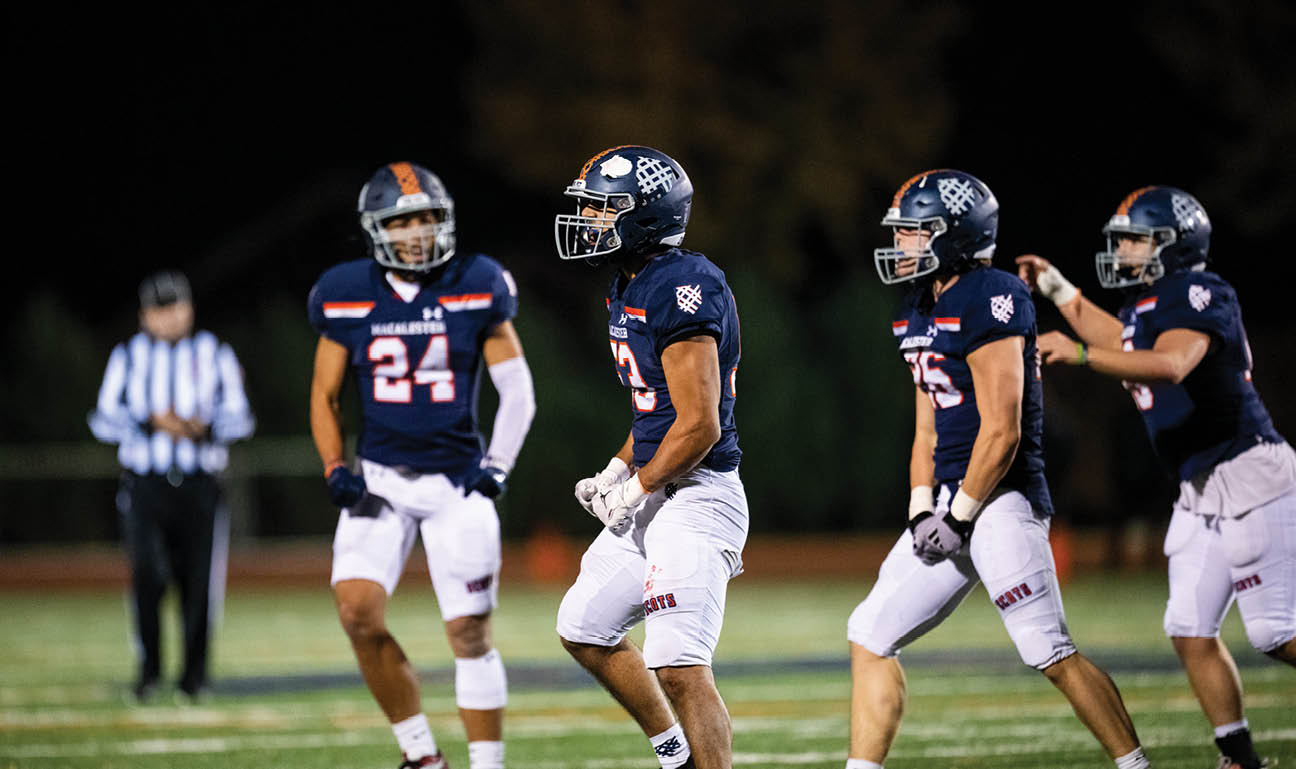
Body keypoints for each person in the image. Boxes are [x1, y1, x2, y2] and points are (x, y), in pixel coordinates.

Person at [846, 170, 1151, 769]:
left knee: (1047, 648)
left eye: (913, 231)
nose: (901, 243)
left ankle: (1136, 765)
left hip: (1001, 499)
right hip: (949, 502)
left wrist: (959, 516)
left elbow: (1003, 429)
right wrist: (919, 509)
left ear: (953, 235)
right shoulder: (916, 309)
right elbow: (928, 426)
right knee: (870, 633)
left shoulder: (991, 294)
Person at [1018, 186, 1293, 769]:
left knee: (1275, 633)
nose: (1125, 250)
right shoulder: (1151, 304)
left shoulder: (1198, 291)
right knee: (1190, 629)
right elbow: (1120, 339)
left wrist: (1079, 356)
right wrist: (1057, 290)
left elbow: (1171, 363)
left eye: (1137, 239)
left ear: (1174, 243)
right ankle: (1239, 758)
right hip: (1199, 488)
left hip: (1250, 475)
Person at [308, 162, 535, 769]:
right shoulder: (344, 290)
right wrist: (335, 467)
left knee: (468, 636)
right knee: (357, 612)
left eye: (428, 217)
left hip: (457, 484)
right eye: (403, 220)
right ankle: (421, 755)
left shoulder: (476, 280)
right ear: (376, 229)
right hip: (379, 480)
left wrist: (499, 467)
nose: (418, 232)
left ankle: (487, 764)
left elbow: (518, 390)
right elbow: (324, 396)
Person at [553, 145, 746, 769]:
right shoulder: (631, 282)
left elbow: (699, 427)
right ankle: (676, 755)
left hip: (698, 495)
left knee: (681, 665)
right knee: (584, 626)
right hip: (661, 486)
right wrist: (615, 468)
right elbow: (655, 413)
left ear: (643, 215)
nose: (589, 221)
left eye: (603, 209)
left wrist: (634, 490)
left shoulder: (681, 284)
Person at [88, 269, 255, 702]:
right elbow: (103, 418)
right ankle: (148, 672)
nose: (167, 317)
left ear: (189, 309)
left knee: (199, 583)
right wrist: (149, 421)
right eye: (158, 309)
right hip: (145, 483)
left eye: (174, 307)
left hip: (200, 482)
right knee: (147, 576)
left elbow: (241, 416)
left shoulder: (214, 352)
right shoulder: (127, 356)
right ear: (145, 315)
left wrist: (204, 428)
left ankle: (194, 678)